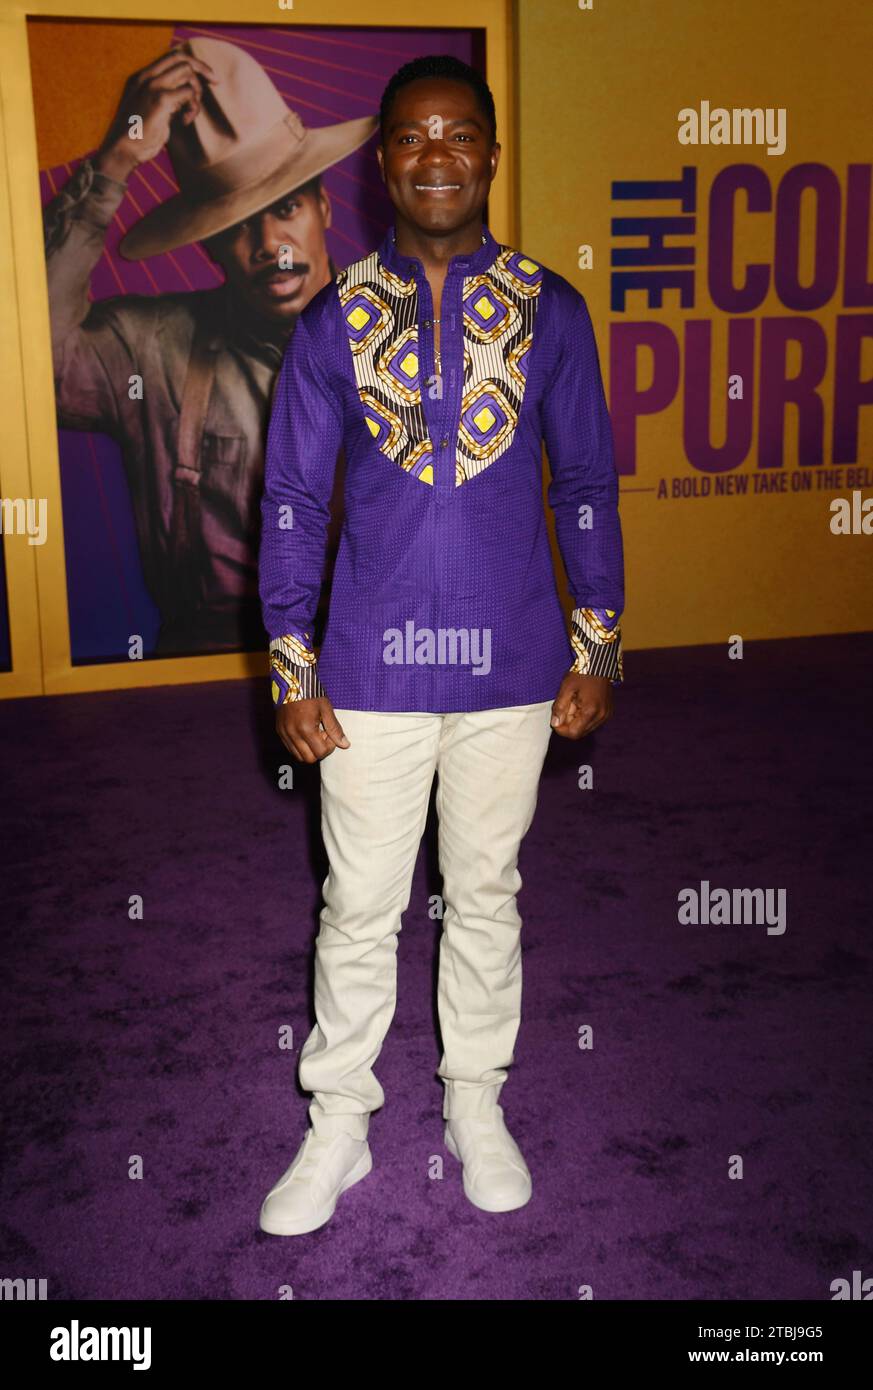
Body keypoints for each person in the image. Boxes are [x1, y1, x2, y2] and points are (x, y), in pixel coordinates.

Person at [258, 53, 625, 1235]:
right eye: (412, 137)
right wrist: (291, 665)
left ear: (493, 156)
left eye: (459, 135)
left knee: (485, 896)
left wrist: (598, 642)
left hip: (513, 666)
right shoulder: (331, 322)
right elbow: (295, 505)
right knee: (358, 905)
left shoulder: (550, 308)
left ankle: (476, 1102)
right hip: (366, 671)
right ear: (381, 162)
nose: (436, 156)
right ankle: (341, 1126)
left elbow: (585, 484)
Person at [43, 35, 376, 655]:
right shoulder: (148, 348)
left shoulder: (412, 337)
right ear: (207, 244)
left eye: (287, 208)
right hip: (207, 675)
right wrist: (116, 163)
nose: (271, 243)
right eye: (238, 224)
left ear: (324, 209)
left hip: (378, 664)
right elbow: (27, 365)